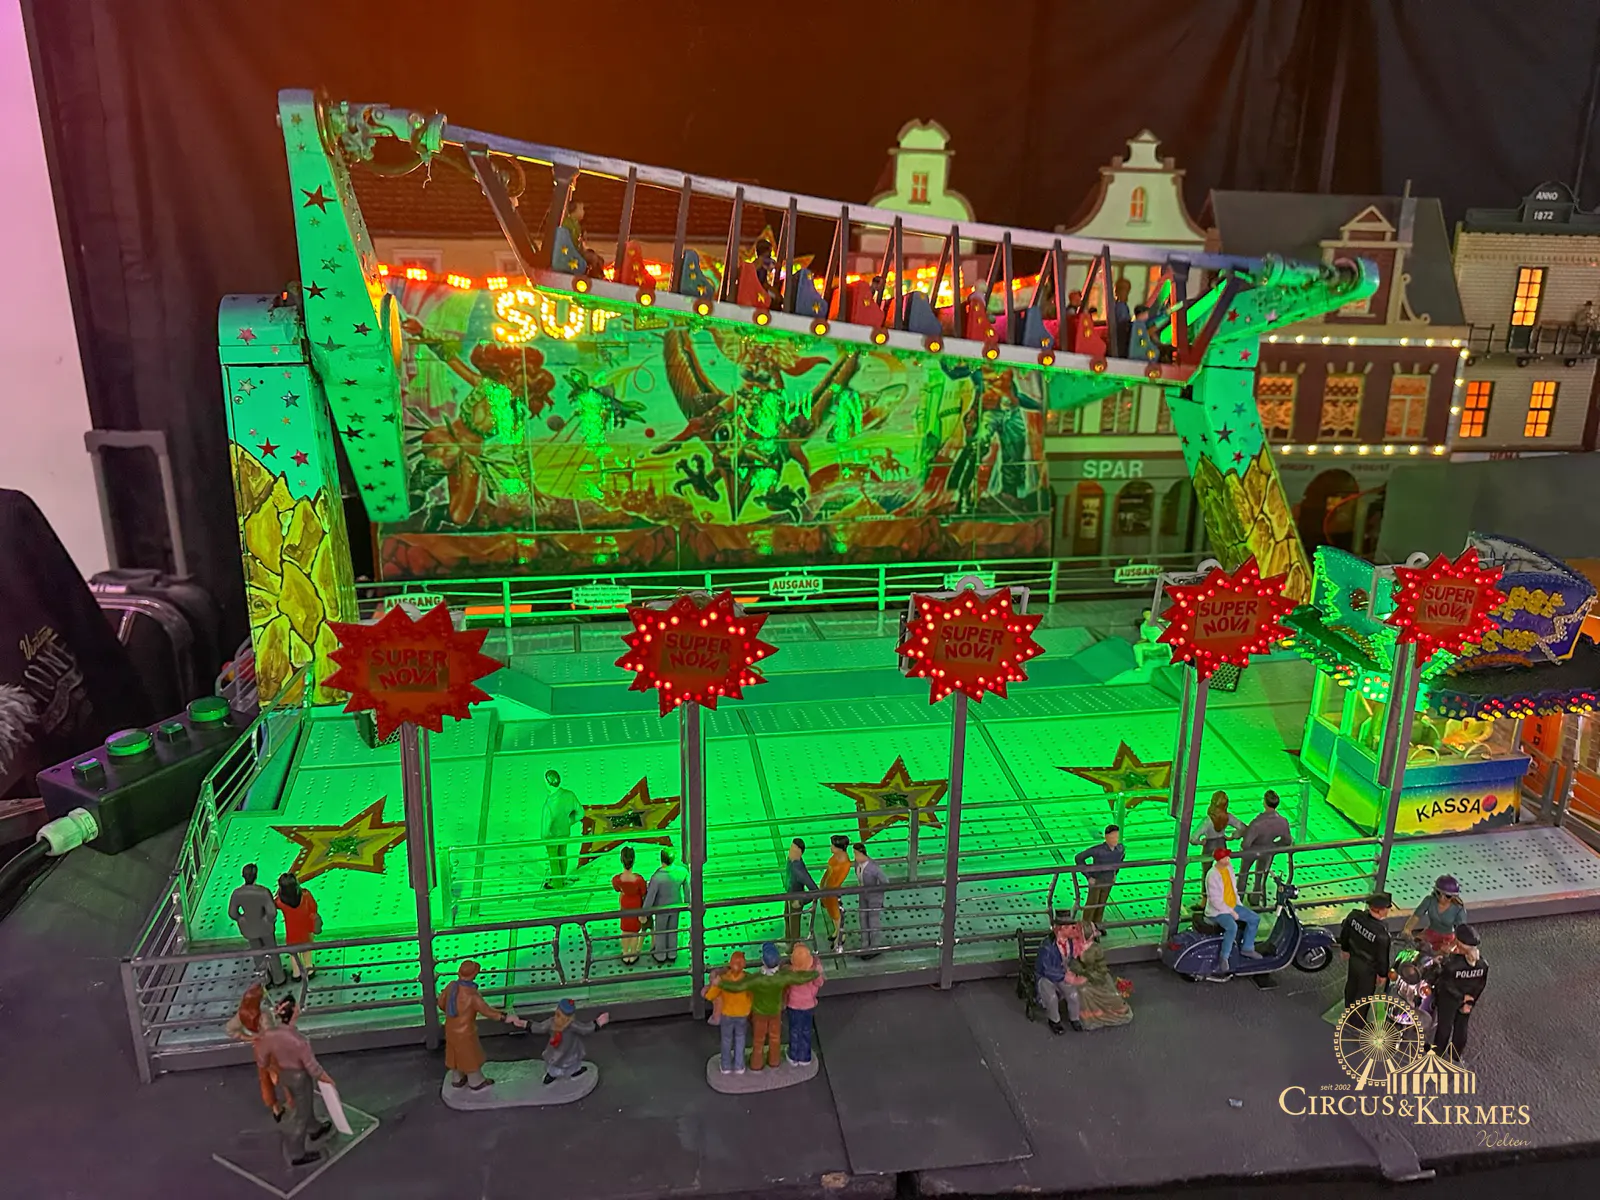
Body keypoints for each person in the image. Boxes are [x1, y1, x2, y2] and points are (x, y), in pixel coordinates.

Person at [712, 941, 819, 1071]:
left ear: (763, 960)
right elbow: (800, 978)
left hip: (759, 1013)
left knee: (758, 1039)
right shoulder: (782, 977)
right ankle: (774, 1061)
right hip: (775, 1012)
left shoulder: (756, 979)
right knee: (775, 1038)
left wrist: (721, 983)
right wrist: (815, 973)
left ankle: (756, 1063)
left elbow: (738, 987)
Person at [253, 995, 333, 1167]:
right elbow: (313, 1068)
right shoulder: (299, 1041)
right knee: (301, 1117)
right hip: (299, 1078)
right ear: (293, 1013)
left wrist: (271, 1070)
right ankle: (297, 1153)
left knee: (304, 1105)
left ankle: (315, 1128)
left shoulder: (269, 1036)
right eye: (297, 1008)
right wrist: (327, 1080)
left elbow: (262, 1060)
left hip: (284, 1075)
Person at [438, 959, 525, 1090]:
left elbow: (441, 1003)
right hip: (465, 1032)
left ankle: (457, 1078)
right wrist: (506, 1017)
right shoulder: (472, 995)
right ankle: (475, 1081)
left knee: (454, 1053)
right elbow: (488, 1011)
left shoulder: (451, 986)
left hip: (450, 1028)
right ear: (474, 975)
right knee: (470, 1056)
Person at [1424, 923, 1487, 1060]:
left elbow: (1447, 985)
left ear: (1458, 942)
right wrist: (1469, 1001)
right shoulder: (1483, 964)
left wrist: (1460, 997)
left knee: (1444, 1025)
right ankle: (1456, 1053)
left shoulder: (1452, 964)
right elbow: (1480, 985)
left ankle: (1438, 1051)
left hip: (1449, 999)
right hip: (1468, 999)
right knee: (1461, 1025)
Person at [227, 983, 284, 1120]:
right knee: (285, 1074)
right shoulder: (264, 1014)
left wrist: (249, 1037)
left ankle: (275, 1107)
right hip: (272, 1049)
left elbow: (230, 1030)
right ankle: (293, 1101)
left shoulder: (242, 1015)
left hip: (258, 1047)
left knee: (264, 1079)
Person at [1204, 847, 1262, 979]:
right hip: (1218, 911)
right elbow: (1215, 901)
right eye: (1225, 858)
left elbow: (1233, 889)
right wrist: (1231, 912)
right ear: (1219, 860)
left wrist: (1238, 905)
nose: (1228, 859)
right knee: (1232, 927)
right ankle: (1224, 957)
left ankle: (1247, 948)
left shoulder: (1228, 868)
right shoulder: (1212, 875)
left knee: (1254, 919)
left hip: (1233, 905)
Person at [525, 998, 609, 1085]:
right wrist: (525, 1024)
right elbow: (540, 1027)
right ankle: (551, 1075)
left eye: (562, 1017)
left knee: (572, 1064)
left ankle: (575, 1071)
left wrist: (598, 1023)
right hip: (556, 1051)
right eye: (558, 1015)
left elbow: (585, 1029)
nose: (559, 1019)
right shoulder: (551, 1023)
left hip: (571, 1050)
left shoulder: (573, 1025)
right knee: (554, 1066)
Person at [1338, 891, 1396, 1013]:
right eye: (1387, 908)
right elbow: (1382, 958)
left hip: (1354, 959)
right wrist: (1382, 975)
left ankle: (1348, 1010)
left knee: (1351, 985)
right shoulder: (1382, 934)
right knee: (1364, 995)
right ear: (1381, 910)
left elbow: (1345, 932)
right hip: (1369, 968)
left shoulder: (1354, 916)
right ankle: (1357, 1021)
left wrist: (1345, 949)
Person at [230, 863, 285, 987]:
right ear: (256, 875)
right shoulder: (263, 892)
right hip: (265, 928)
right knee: (272, 951)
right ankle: (279, 978)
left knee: (257, 953)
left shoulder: (237, 893)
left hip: (249, 928)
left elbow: (232, 913)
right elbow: (272, 912)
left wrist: (242, 919)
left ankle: (265, 979)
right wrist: (268, 920)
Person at [1074, 923, 1133, 1029]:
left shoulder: (1096, 949)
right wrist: (1078, 972)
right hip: (1082, 975)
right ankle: (1087, 1014)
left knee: (1087, 990)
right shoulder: (1076, 946)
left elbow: (1102, 969)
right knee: (1081, 990)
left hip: (1097, 977)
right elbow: (1074, 963)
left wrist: (1089, 976)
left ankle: (1101, 1012)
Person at [1239, 791, 1293, 907]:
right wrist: (1273, 845)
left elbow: (1246, 844)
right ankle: (1255, 898)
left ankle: (1239, 899)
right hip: (1268, 851)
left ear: (1264, 803)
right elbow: (1287, 840)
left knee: (1244, 874)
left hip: (1252, 851)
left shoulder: (1257, 823)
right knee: (1260, 874)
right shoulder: (1282, 822)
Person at [1035, 914, 1085, 1034]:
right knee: (1051, 998)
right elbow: (1046, 969)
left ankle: (1074, 1018)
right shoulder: (1047, 946)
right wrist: (1065, 976)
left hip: (1062, 974)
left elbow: (1069, 959)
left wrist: (1074, 970)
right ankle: (1054, 1020)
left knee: (1073, 994)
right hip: (1046, 978)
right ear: (1062, 929)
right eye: (1071, 927)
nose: (1074, 930)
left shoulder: (1069, 942)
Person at [704, 952, 752, 1073]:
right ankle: (739, 1066)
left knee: (726, 1039)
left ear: (730, 963)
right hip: (742, 1014)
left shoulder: (723, 979)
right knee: (740, 1038)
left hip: (727, 1014)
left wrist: (713, 985)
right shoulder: (748, 979)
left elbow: (710, 996)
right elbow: (753, 995)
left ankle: (725, 1066)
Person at [1190, 793, 1245, 895]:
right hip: (1222, 845)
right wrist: (1233, 836)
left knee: (1206, 874)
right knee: (1223, 872)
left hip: (1209, 846)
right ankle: (1222, 894)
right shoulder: (1228, 817)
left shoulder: (1207, 821)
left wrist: (1201, 842)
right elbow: (1243, 828)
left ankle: (1205, 898)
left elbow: (1193, 838)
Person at [642, 848, 688, 964]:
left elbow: (650, 896)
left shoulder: (657, 877)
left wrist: (645, 913)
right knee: (673, 930)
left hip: (661, 908)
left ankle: (660, 955)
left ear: (661, 859)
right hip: (676, 906)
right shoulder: (682, 872)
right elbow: (688, 890)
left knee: (661, 931)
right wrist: (688, 903)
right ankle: (672, 953)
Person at [1402, 876, 1466, 956]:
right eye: (1438, 893)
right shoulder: (1429, 900)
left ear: (1454, 897)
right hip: (1430, 933)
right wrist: (1407, 929)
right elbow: (1416, 916)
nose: (1442, 898)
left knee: (1446, 955)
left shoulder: (1458, 908)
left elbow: (1461, 931)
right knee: (1418, 948)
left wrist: (1451, 946)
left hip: (1448, 938)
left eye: (1447, 896)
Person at [1075, 825, 1125, 926]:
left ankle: (1097, 924)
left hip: (1109, 880)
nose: (1115, 839)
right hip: (1097, 880)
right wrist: (1088, 876)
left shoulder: (1120, 849)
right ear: (1106, 837)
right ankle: (1086, 925)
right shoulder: (1097, 850)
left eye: (1116, 837)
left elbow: (1120, 860)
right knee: (1092, 903)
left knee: (1102, 904)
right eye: (1112, 837)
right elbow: (1079, 858)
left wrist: (1115, 873)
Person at [541, 770, 583, 889]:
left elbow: (545, 830)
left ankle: (556, 883)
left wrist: (544, 839)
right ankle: (562, 877)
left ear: (548, 783)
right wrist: (568, 822)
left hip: (552, 836)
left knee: (554, 859)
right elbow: (580, 813)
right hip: (564, 832)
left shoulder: (549, 804)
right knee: (563, 854)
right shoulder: (569, 795)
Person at [275, 873, 321, 981]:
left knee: (293, 952)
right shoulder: (305, 895)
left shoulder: (281, 901)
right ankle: (309, 970)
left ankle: (296, 973)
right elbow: (314, 907)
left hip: (291, 932)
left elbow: (274, 904)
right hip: (305, 929)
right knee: (307, 950)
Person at [784, 942, 824, 1065]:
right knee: (806, 1030)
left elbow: (786, 987)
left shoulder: (790, 973)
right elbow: (820, 983)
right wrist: (818, 967)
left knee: (794, 1030)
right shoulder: (812, 973)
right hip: (808, 1006)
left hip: (793, 1005)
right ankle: (805, 1056)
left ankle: (793, 1056)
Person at [612, 847, 648, 965]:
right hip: (636, 904)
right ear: (634, 860)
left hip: (624, 903)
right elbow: (644, 892)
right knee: (634, 931)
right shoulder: (639, 879)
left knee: (625, 930)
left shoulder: (617, 879)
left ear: (621, 860)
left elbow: (617, 889)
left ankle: (625, 953)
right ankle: (632, 954)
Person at [853, 843, 889, 957]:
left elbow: (885, 882)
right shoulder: (857, 864)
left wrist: (878, 894)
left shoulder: (873, 867)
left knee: (873, 921)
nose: (855, 857)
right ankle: (865, 945)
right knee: (863, 918)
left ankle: (875, 946)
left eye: (856, 854)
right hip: (863, 895)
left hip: (874, 897)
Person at [819, 835, 852, 952]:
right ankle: (837, 931)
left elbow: (837, 882)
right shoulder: (835, 857)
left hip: (832, 892)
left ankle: (841, 935)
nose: (831, 847)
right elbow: (828, 872)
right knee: (832, 913)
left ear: (840, 848)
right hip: (827, 890)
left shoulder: (845, 864)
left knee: (836, 914)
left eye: (833, 846)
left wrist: (826, 890)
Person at [783, 838, 818, 944]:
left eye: (793, 850)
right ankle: (788, 939)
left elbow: (814, 890)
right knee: (787, 917)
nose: (790, 851)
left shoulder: (799, 870)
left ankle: (793, 948)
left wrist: (801, 901)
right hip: (789, 894)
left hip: (795, 899)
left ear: (799, 852)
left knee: (794, 925)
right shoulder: (791, 861)